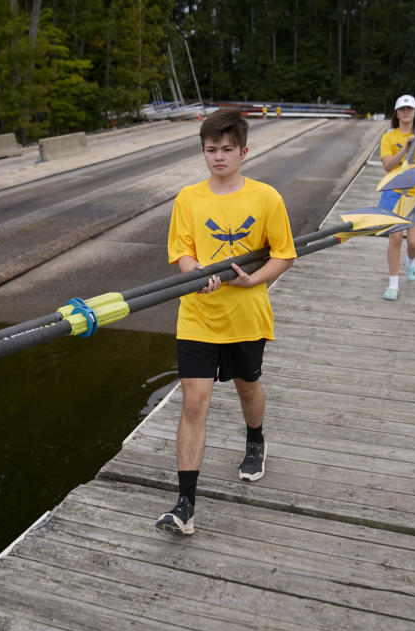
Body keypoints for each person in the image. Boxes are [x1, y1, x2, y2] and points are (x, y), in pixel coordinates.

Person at [155, 108, 297, 536]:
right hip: (198, 315)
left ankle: (255, 439)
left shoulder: (266, 198)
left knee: (247, 386)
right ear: (203, 152)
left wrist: (253, 278)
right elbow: (181, 251)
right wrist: (196, 273)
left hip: (246, 315)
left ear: (243, 151)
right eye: (211, 150)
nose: (219, 157)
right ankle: (185, 506)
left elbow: (284, 254)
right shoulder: (188, 198)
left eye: (227, 149)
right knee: (194, 401)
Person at [379, 94, 415, 300]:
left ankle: (411, 261)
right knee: (395, 238)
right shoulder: (389, 137)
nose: (406, 112)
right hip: (394, 192)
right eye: (402, 109)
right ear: (397, 113)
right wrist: (405, 148)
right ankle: (393, 284)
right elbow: (387, 165)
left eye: (409, 109)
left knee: (414, 244)